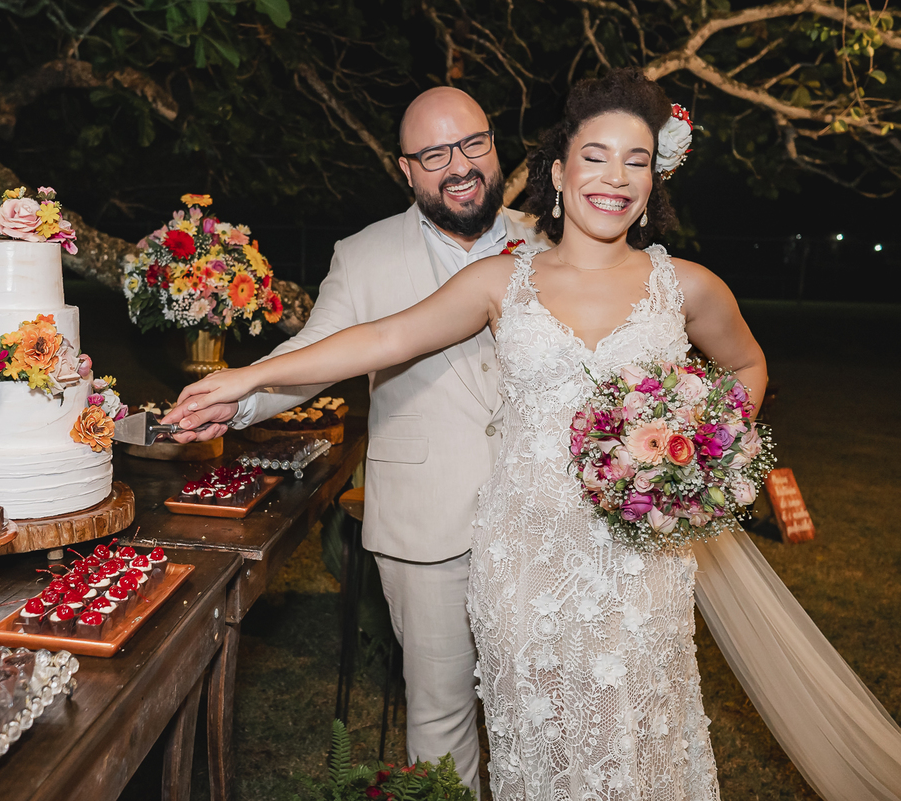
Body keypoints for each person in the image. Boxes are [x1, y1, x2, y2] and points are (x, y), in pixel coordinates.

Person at [164, 68, 901, 799]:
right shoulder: (500, 280)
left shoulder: (689, 284)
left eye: (636, 160)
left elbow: (746, 364)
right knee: (540, 742)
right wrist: (244, 380)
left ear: (654, 181)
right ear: (557, 170)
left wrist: (702, 447)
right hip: (522, 564)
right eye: (596, 155)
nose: (615, 177)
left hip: (639, 561)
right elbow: (379, 339)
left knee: (635, 735)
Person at [164, 86, 547, 793]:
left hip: (551, 520)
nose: (458, 166)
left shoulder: (556, 240)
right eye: (434, 154)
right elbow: (318, 354)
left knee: (549, 713)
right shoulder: (365, 254)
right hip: (428, 522)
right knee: (440, 717)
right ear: (405, 169)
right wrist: (237, 403)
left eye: (472, 144)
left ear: (496, 147)